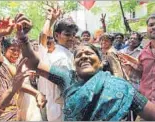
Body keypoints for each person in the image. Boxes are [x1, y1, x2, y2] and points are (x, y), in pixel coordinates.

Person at [21, 32, 155, 121]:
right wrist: (23, 38)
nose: (84, 56)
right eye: (79, 55)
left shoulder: (120, 87)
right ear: (74, 64)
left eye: (89, 54)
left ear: (101, 61)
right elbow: (34, 64)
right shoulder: (67, 78)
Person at [0, 16, 46, 121]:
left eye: (18, 50)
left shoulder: (19, 61)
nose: (16, 53)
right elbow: (20, 84)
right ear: (4, 50)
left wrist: (22, 34)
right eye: (12, 50)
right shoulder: (2, 63)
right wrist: (36, 93)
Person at [36, 5, 78, 121]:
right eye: (67, 34)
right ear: (56, 36)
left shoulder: (61, 54)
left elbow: (43, 41)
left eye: (73, 35)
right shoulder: (60, 58)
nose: (72, 38)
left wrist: (51, 19)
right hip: (62, 110)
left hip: (55, 109)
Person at [118, 13, 155, 104]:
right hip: (146, 103)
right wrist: (130, 66)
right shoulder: (144, 53)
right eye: (151, 25)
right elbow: (142, 75)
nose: (154, 27)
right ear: (147, 29)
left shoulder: (140, 51)